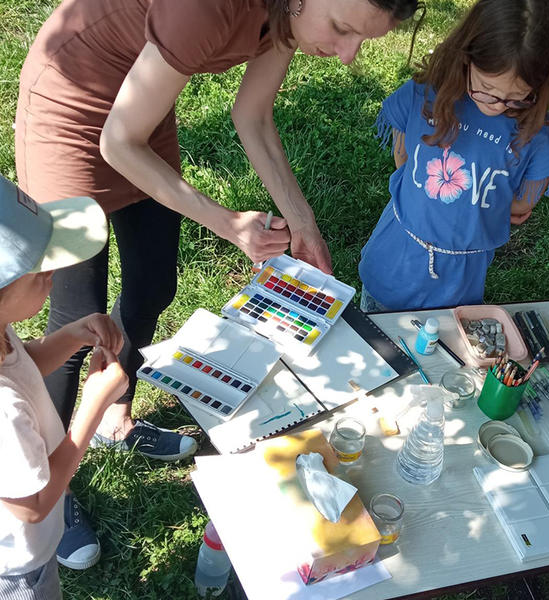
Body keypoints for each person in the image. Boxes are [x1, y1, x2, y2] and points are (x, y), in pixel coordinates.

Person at [15, 0, 421, 569]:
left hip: (142, 107)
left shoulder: (287, 14)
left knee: (154, 283)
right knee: (73, 314)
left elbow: (252, 116)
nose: (348, 55)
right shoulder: (206, 6)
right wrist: (230, 224)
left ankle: (114, 414)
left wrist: (301, 222)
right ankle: (44, 481)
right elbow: (115, 142)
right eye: (343, 29)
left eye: (363, 41)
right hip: (77, 103)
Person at [358, 0, 549, 312]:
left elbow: (524, 203)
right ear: (466, 56)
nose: (497, 104)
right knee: (375, 331)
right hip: (393, 261)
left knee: (440, 353)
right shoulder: (424, 93)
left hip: (456, 286)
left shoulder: (537, 131)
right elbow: (401, 154)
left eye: (516, 98)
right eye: (486, 88)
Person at [0, 177, 129, 599]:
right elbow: (31, 505)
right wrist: (92, 406)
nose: (53, 271)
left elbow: (25, 365)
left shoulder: (1, 333)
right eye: (39, 269)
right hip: (19, 569)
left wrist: (72, 335)